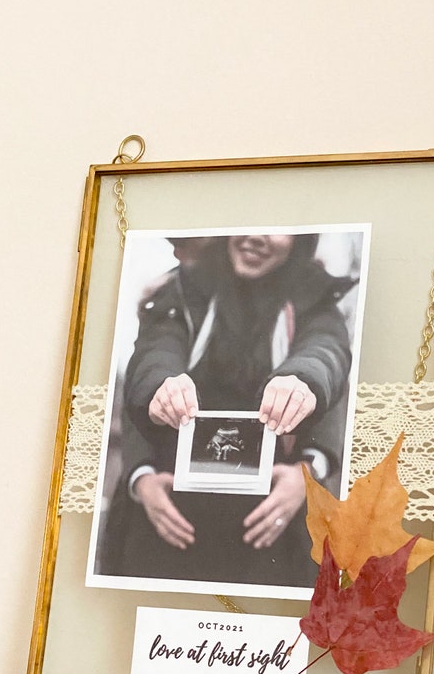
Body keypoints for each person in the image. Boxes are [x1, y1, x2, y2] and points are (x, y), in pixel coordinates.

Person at [100, 233, 355, 589]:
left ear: (301, 239)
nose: (256, 237)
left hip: (268, 536)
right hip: (168, 524)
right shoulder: (182, 289)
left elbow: (326, 352)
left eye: (278, 227)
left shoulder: (314, 299)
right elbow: (151, 358)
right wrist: (140, 477)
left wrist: (307, 472)